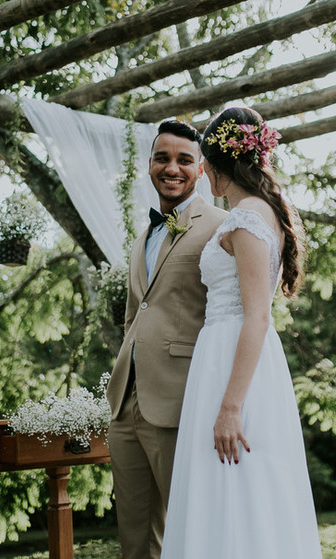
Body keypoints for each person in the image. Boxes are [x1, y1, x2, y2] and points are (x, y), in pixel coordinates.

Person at [160, 106, 320, 559]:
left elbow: (258, 317)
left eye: (204, 166)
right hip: (225, 357)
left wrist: (231, 407)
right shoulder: (260, 211)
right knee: (230, 485)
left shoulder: (247, 218)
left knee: (234, 483)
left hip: (233, 361)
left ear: (213, 166)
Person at [105, 120, 228, 559]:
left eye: (183, 159)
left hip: (181, 398)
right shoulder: (144, 235)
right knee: (134, 534)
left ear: (200, 169)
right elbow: (136, 314)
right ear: (149, 165)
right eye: (162, 157)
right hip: (125, 399)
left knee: (188, 528)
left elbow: (235, 315)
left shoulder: (222, 225)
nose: (171, 167)